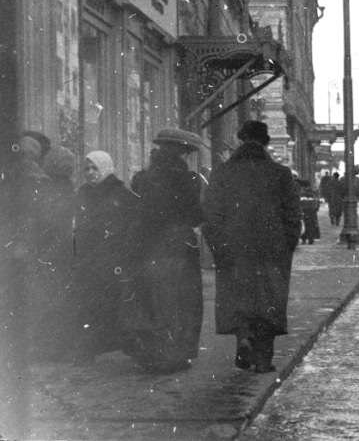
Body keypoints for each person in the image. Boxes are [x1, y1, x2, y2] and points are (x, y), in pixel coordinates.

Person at [202, 121, 300, 374]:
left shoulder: (222, 172)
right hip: (272, 250)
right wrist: (287, 244)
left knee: (239, 299)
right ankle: (263, 360)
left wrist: (218, 247)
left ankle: (243, 339)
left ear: (240, 140)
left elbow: (211, 216)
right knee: (268, 301)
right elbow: (292, 216)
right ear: (266, 142)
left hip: (233, 248)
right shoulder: (280, 173)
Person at [126, 128, 205, 373]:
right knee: (180, 301)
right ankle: (174, 354)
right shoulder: (189, 180)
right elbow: (196, 215)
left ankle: (150, 353)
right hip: (177, 246)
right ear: (181, 152)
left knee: (150, 299)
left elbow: (137, 212)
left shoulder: (141, 178)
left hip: (147, 246)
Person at [72, 151, 143, 364]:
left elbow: (134, 225)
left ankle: (127, 343)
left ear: (105, 168)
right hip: (89, 259)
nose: (90, 173)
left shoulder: (121, 194)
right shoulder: (82, 194)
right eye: (87, 168)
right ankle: (89, 349)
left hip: (114, 259)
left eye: (95, 168)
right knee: (90, 306)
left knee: (118, 303)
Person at [27, 143, 75, 360]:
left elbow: (44, 221)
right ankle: (59, 346)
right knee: (59, 298)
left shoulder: (47, 189)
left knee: (45, 298)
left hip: (47, 249)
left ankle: (47, 347)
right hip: (63, 249)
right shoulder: (69, 188)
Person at [298, 178, 322, 245]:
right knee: (311, 225)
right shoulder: (313, 193)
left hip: (304, 211)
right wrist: (316, 208)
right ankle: (311, 239)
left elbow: (299, 203)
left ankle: (304, 239)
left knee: (304, 225)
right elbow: (317, 202)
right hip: (312, 211)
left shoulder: (301, 193)